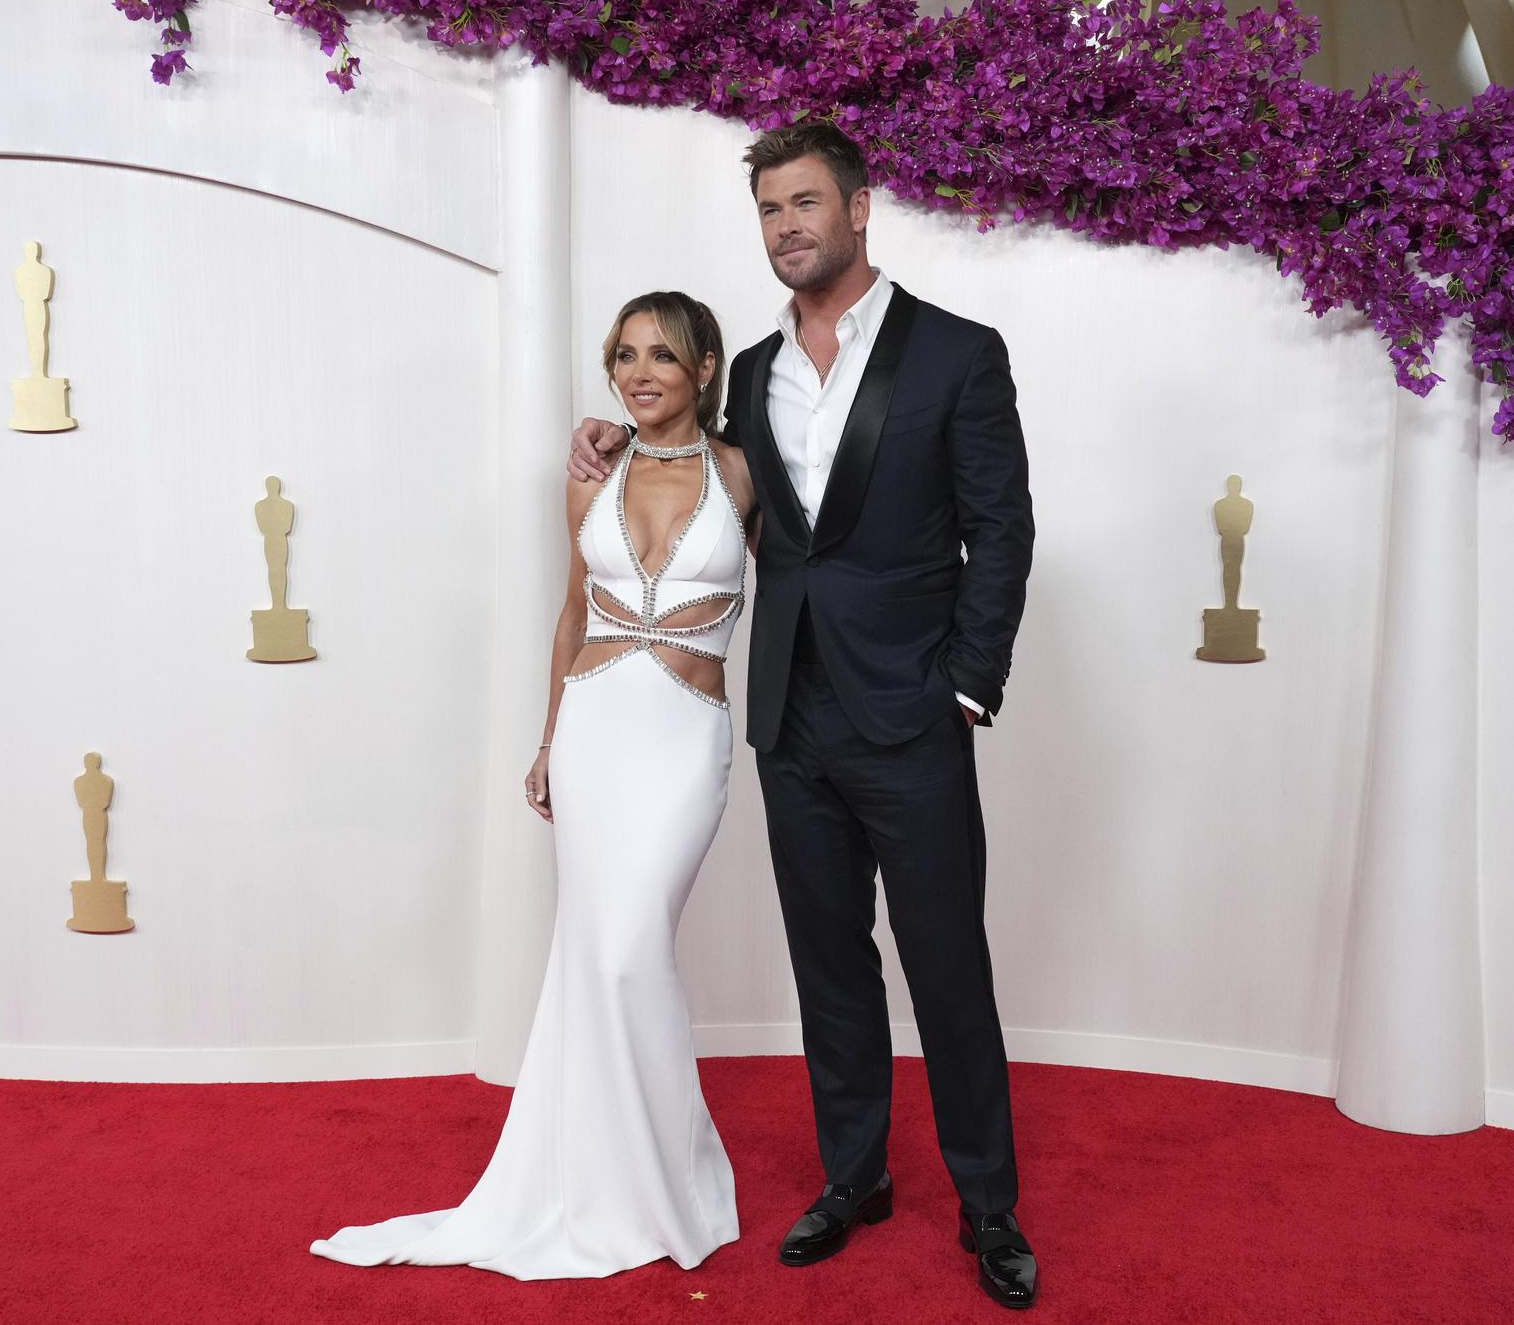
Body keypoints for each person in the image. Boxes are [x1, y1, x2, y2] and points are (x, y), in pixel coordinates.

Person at [568, 122, 1038, 1309]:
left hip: (915, 713)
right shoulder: (758, 376)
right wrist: (617, 434)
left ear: (860, 206)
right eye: (767, 211)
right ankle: (854, 1176)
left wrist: (966, 685)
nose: (785, 228)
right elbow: (694, 453)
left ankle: (988, 1205)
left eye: (803, 204)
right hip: (789, 715)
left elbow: (1004, 530)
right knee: (828, 968)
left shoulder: (956, 355)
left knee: (946, 968)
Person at [311, 291, 758, 1279]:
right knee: (598, 952)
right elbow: (569, 613)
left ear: (705, 368)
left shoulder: (740, 472)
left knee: (631, 948)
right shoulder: (593, 475)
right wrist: (549, 739)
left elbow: (806, 586)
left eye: (660, 356)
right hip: (595, 727)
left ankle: (664, 1174)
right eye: (623, 357)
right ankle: (605, 1178)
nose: (638, 374)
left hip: (686, 737)